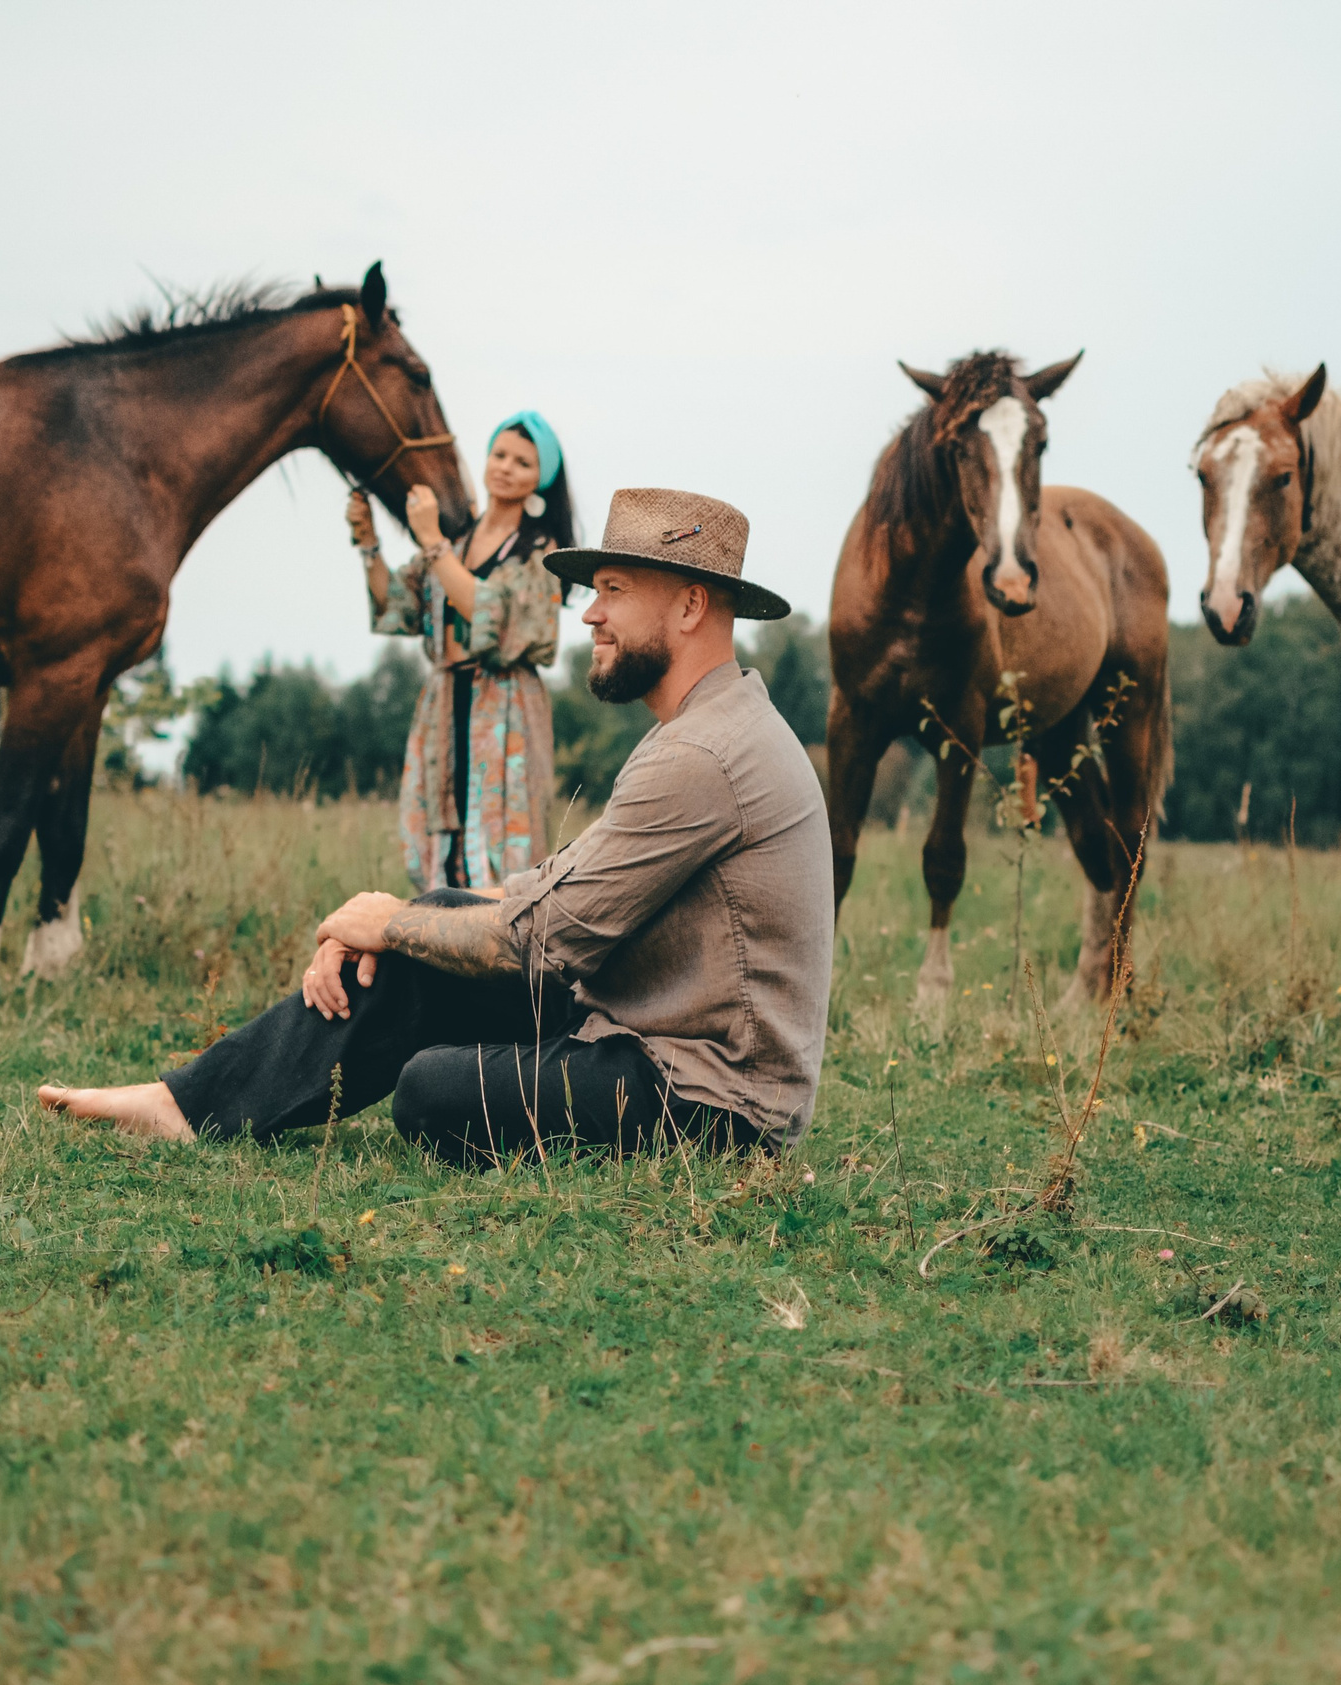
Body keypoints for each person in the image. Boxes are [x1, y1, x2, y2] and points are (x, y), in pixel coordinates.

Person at [40, 488, 832, 1164]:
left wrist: (391, 923)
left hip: (713, 1102)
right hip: (644, 1033)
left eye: (614, 590)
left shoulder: (703, 754)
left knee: (432, 1088)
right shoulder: (705, 729)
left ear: (690, 604)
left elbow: (542, 939)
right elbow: (554, 889)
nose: (590, 614)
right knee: (442, 915)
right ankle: (187, 1105)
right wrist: (398, 921)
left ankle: (195, 1105)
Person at [353, 411, 572, 892]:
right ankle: (440, 925)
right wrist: (368, 542)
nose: (506, 468)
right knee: (438, 830)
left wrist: (431, 540)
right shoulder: (458, 540)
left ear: (541, 480)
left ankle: (501, 932)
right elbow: (397, 603)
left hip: (505, 704)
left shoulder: (539, 551)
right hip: (445, 699)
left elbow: (488, 611)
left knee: (502, 838)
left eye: (523, 462)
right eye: (499, 455)